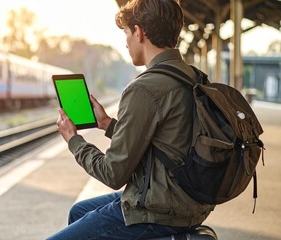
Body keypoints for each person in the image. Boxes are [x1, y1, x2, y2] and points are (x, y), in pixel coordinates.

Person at [49, 0, 215, 239]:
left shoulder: (144, 88)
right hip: (189, 200)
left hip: (158, 210)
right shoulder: (193, 76)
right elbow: (162, 143)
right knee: (79, 211)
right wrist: (107, 124)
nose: (125, 41)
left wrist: (74, 140)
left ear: (139, 32)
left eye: (126, 33)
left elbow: (113, 174)